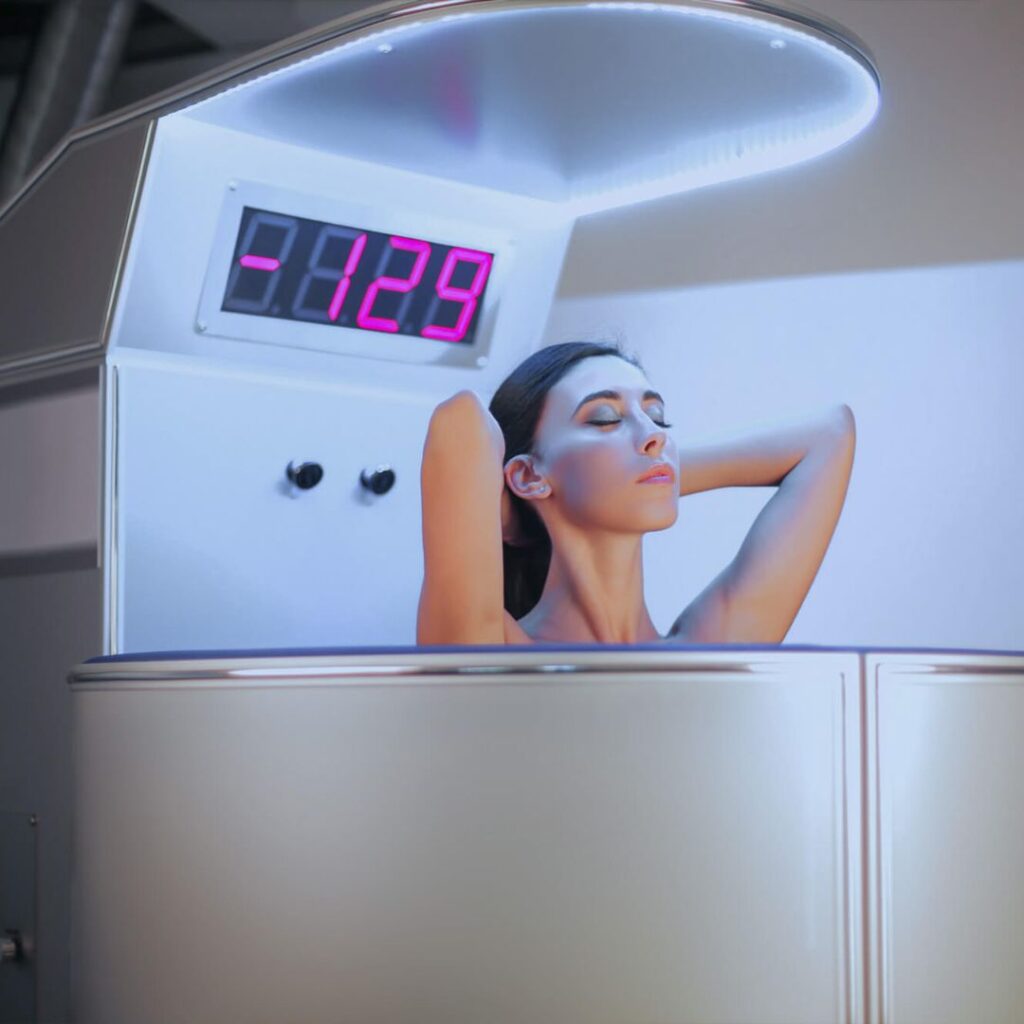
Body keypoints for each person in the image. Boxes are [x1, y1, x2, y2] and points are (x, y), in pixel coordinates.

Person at [417, 340, 855, 645]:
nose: (656, 436)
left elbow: (829, 434)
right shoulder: (489, 646)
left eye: (658, 417)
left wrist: (653, 470)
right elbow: (462, 423)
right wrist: (524, 503)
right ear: (529, 476)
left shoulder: (707, 650)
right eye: (605, 418)